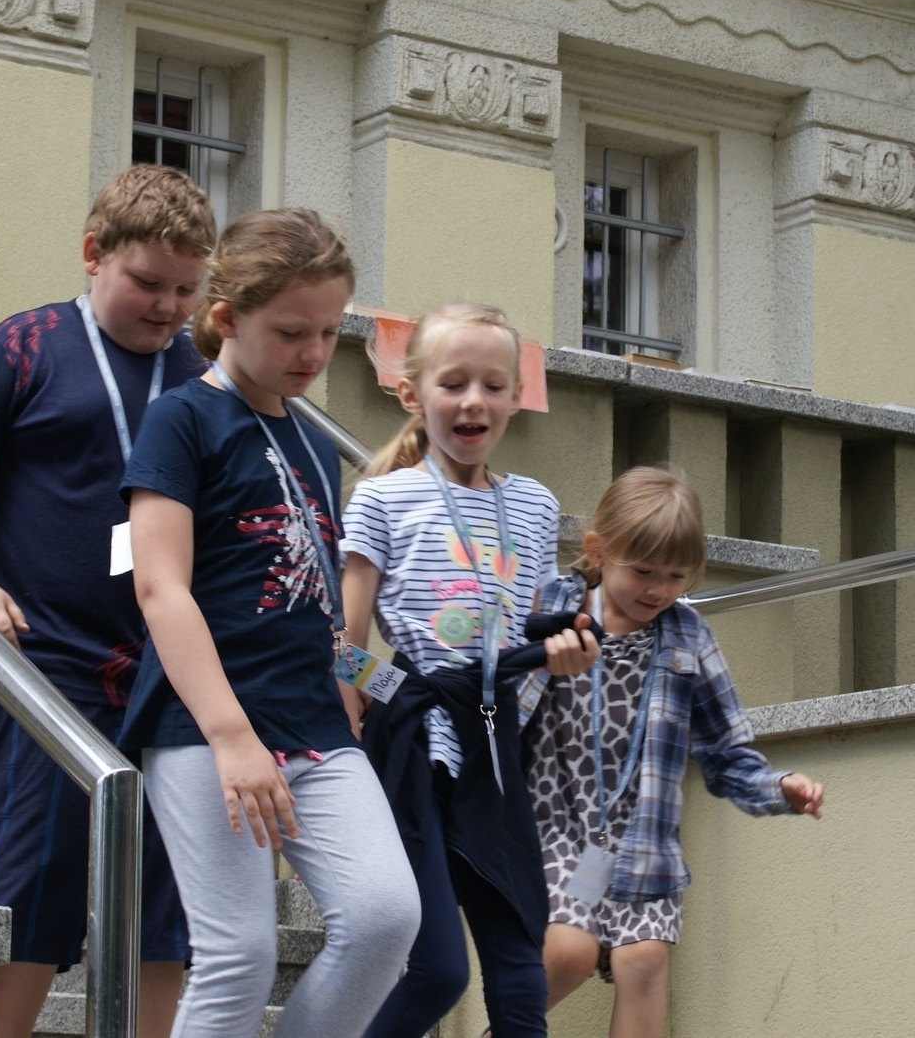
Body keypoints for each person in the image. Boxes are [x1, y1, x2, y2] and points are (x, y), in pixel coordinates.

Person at [0, 163, 215, 1037]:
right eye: (148, 284)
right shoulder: (27, 344)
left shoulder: (202, 373)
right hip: (44, 661)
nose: (167, 307)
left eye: (187, 290)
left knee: (169, 891)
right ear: (93, 255)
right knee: (32, 870)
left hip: (169, 672)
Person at [120, 208, 421, 1038]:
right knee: (239, 955)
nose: (314, 353)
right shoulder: (180, 419)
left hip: (313, 720)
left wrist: (355, 681)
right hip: (203, 726)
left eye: (328, 332)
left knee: (388, 916)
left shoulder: (313, 441)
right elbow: (161, 588)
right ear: (225, 320)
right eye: (292, 331)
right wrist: (229, 734)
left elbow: (314, 595)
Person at [342, 303, 596, 1038]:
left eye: (493, 384)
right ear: (413, 394)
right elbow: (340, 647)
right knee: (441, 969)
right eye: (453, 382)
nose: (474, 401)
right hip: (417, 750)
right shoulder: (384, 498)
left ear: (518, 396)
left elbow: (537, 625)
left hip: (497, 752)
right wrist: (377, 708)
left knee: (520, 960)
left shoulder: (535, 504)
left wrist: (568, 650)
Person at [521, 466, 825, 1038]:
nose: (658, 590)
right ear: (599, 550)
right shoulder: (555, 609)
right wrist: (539, 655)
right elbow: (494, 694)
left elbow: (726, 751)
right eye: (642, 572)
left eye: (675, 576)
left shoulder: (688, 637)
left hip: (641, 844)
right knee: (570, 952)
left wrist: (778, 788)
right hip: (559, 831)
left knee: (645, 960)